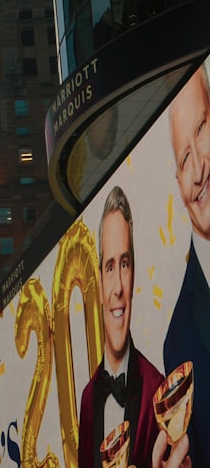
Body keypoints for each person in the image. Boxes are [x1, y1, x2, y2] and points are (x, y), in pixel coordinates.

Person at [79, 186, 164, 468]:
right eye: (110, 266)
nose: (117, 288)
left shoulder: (157, 388)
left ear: (134, 273)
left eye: (125, 264)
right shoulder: (88, 399)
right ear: (100, 282)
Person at [158, 64, 210, 468]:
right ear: (177, 181)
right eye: (184, 157)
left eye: (203, 128)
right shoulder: (177, 342)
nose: (199, 171)